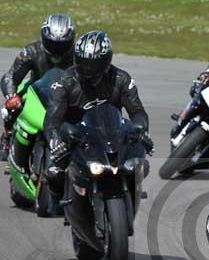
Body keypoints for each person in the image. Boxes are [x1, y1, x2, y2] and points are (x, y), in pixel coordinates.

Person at [43, 30, 151, 178]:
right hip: (75, 140)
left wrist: (141, 130)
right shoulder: (65, 82)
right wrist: (56, 141)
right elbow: (52, 119)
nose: (88, 69)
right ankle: (55, 193)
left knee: (139, 167)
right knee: (53, 174)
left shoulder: (122, 79)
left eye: (94, 64)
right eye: (83, 62)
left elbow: (137, 112)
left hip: (111, 138)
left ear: (106, 61)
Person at [0, 13, 76, 161]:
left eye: (62, 45)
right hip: (36, 89)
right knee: (12, 107)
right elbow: (10, 77)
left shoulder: (77, 56)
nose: (57, 49)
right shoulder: (31, 52)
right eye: (52, 43)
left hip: (67, 93)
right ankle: (6, 138)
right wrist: (12, 96)